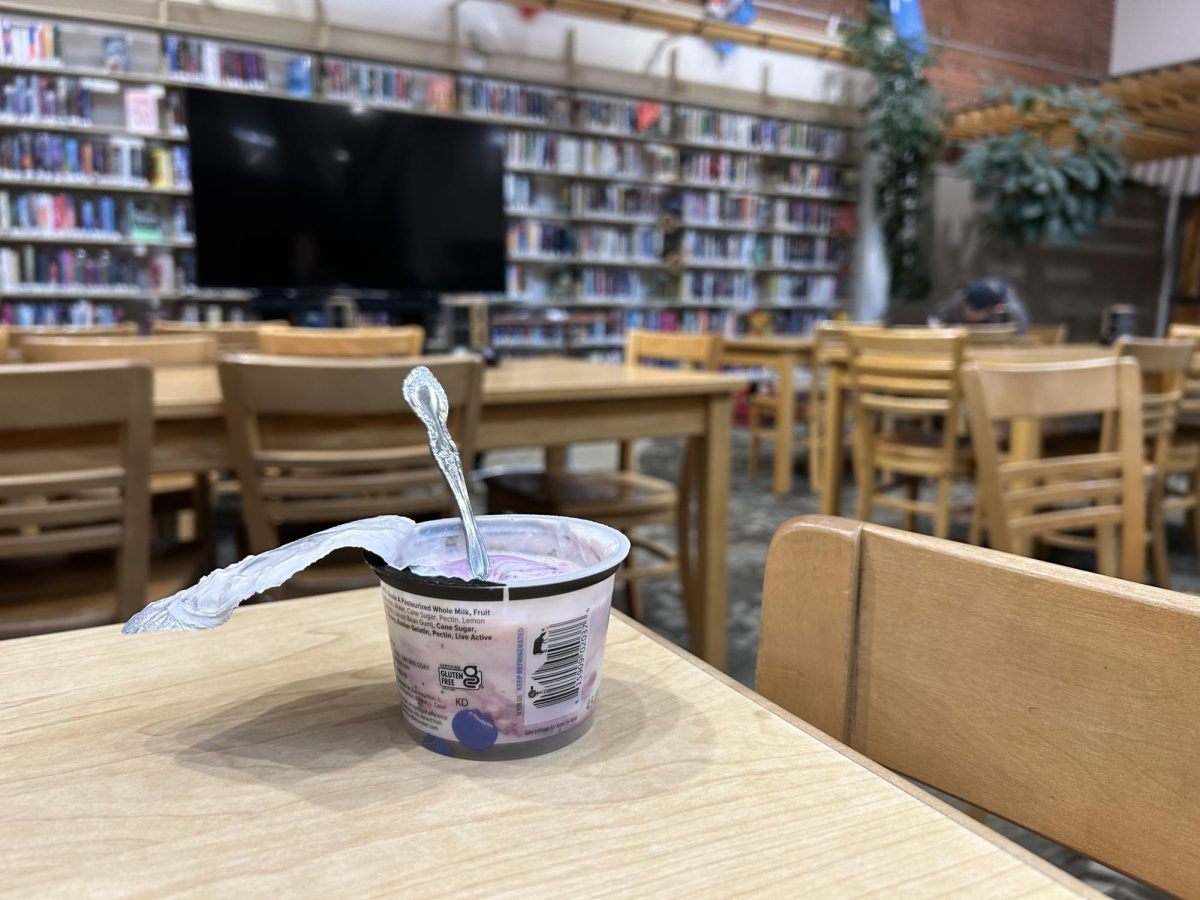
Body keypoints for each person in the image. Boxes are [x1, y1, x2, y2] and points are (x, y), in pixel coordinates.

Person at [933, 277, 1030, 335]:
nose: (972, 316)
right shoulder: (956, 302)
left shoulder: (1008, 308)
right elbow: (937, 323)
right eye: (970, 309)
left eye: (977, 312)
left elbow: (1021, 331)